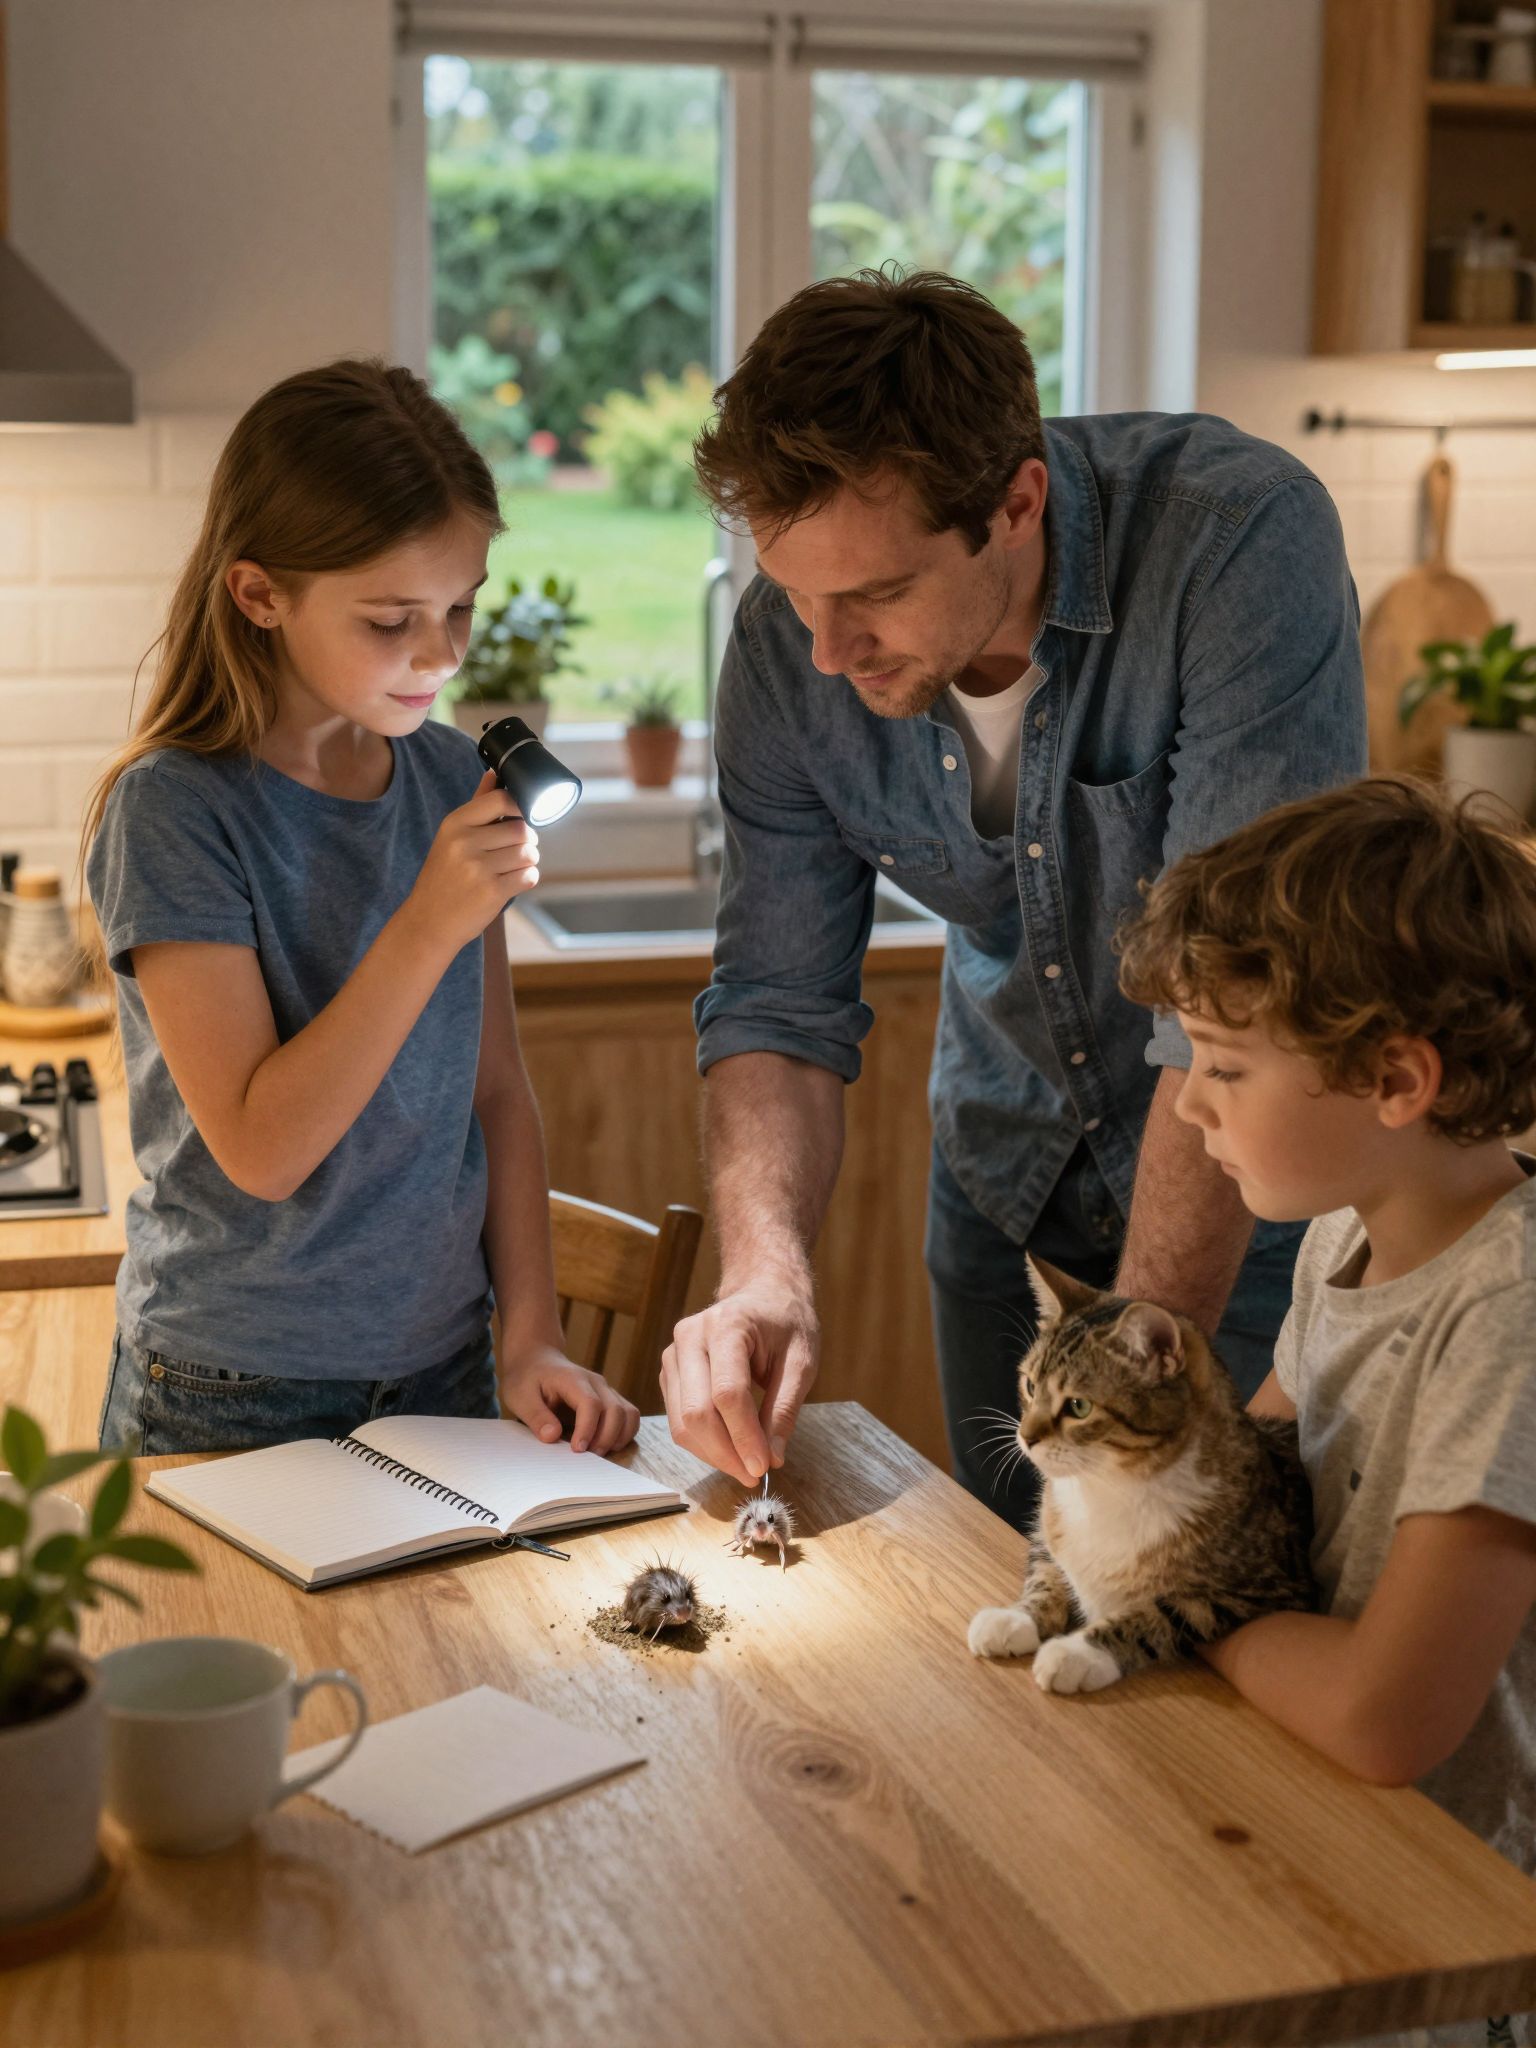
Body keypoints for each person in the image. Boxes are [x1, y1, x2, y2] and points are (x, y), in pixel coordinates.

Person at [664, 267, 1366, 1522]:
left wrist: (1127, 1382)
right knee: (1020, 1607)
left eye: (875, 593)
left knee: (1207, 1627)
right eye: (795, 591)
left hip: (1253, 1201)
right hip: (1007, 1184)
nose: (825, 650)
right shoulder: (793, 645)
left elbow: (1234, 999)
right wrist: (766, 1273)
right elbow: (777, 998)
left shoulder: (1235, 544)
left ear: (1017, 503)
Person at [86, 359, 637, 1460]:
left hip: (445, 1363)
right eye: (392, 619)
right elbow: (262, 1149)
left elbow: (498, 1095)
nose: (440, 655)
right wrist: (429, 919)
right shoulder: (177, 813)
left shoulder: (445, 782)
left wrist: (529, 1335)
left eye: (459, 609)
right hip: (228, 1382)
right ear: (260, 594)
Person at [1118, 775, 1536, 2048]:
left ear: (1397, 1078)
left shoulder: (1509, 1313)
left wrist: (1186, 1616)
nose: (1189, 1105)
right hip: (1332, 1840)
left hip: (1463, 1935)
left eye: (1227, 1065)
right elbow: (1237, 1488)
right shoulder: (1345, 1239)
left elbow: (1379, 1714)